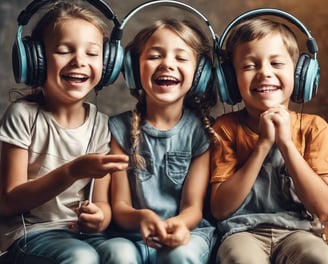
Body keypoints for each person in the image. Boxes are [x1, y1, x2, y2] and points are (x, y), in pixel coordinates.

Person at [0, 2, 129, 263]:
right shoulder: (22, 116)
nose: (79, 60)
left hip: (82, 235)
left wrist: (99, 219)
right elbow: (8, 201)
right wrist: (72, 171)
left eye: (92, 54)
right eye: (63, 50)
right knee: (81, 257)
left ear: (107, 66)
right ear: (36, 60)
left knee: (122, 252)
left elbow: (102, 203)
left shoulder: (102, 125)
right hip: (32, 234)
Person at [210, 16, 328, 264]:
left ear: (299, 75)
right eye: (249, 66)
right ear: (230, 81)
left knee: (318, 257)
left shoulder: (314, 128)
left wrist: (286, 144)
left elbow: (324, 208)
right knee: (241, 259)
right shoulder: (226, 128)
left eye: (276, 63)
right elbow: (220, 209)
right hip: (241, 232)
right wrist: (262, 145)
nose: (265, 72)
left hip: (301, 231)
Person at [106, 18, 217, 263]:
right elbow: (120, 206)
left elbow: (193, 208)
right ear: (134, 69)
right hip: (130, 234)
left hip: (187, 231)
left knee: (178, 256)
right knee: (118, 254)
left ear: (199, 74)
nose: (167, 64)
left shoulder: (200, 133)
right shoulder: (118, 129)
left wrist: (178, 225)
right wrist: (142, 217)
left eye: (180, 58)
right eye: (155, 56)